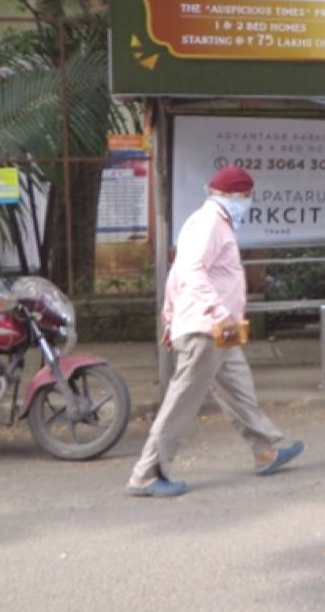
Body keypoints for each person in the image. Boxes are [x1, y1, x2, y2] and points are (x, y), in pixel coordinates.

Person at [127, 165, 303, 498]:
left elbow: (176, 275)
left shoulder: (215, 223)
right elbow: (191, 271)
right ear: (235, 195)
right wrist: (217, 312)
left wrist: (171, 317)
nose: (249, 203)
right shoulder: (208, 223)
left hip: (220, 329)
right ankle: (146, 474)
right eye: (248, 196)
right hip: (209, 328)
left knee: (239, 388)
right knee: (182, 401)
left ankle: (264, 452)